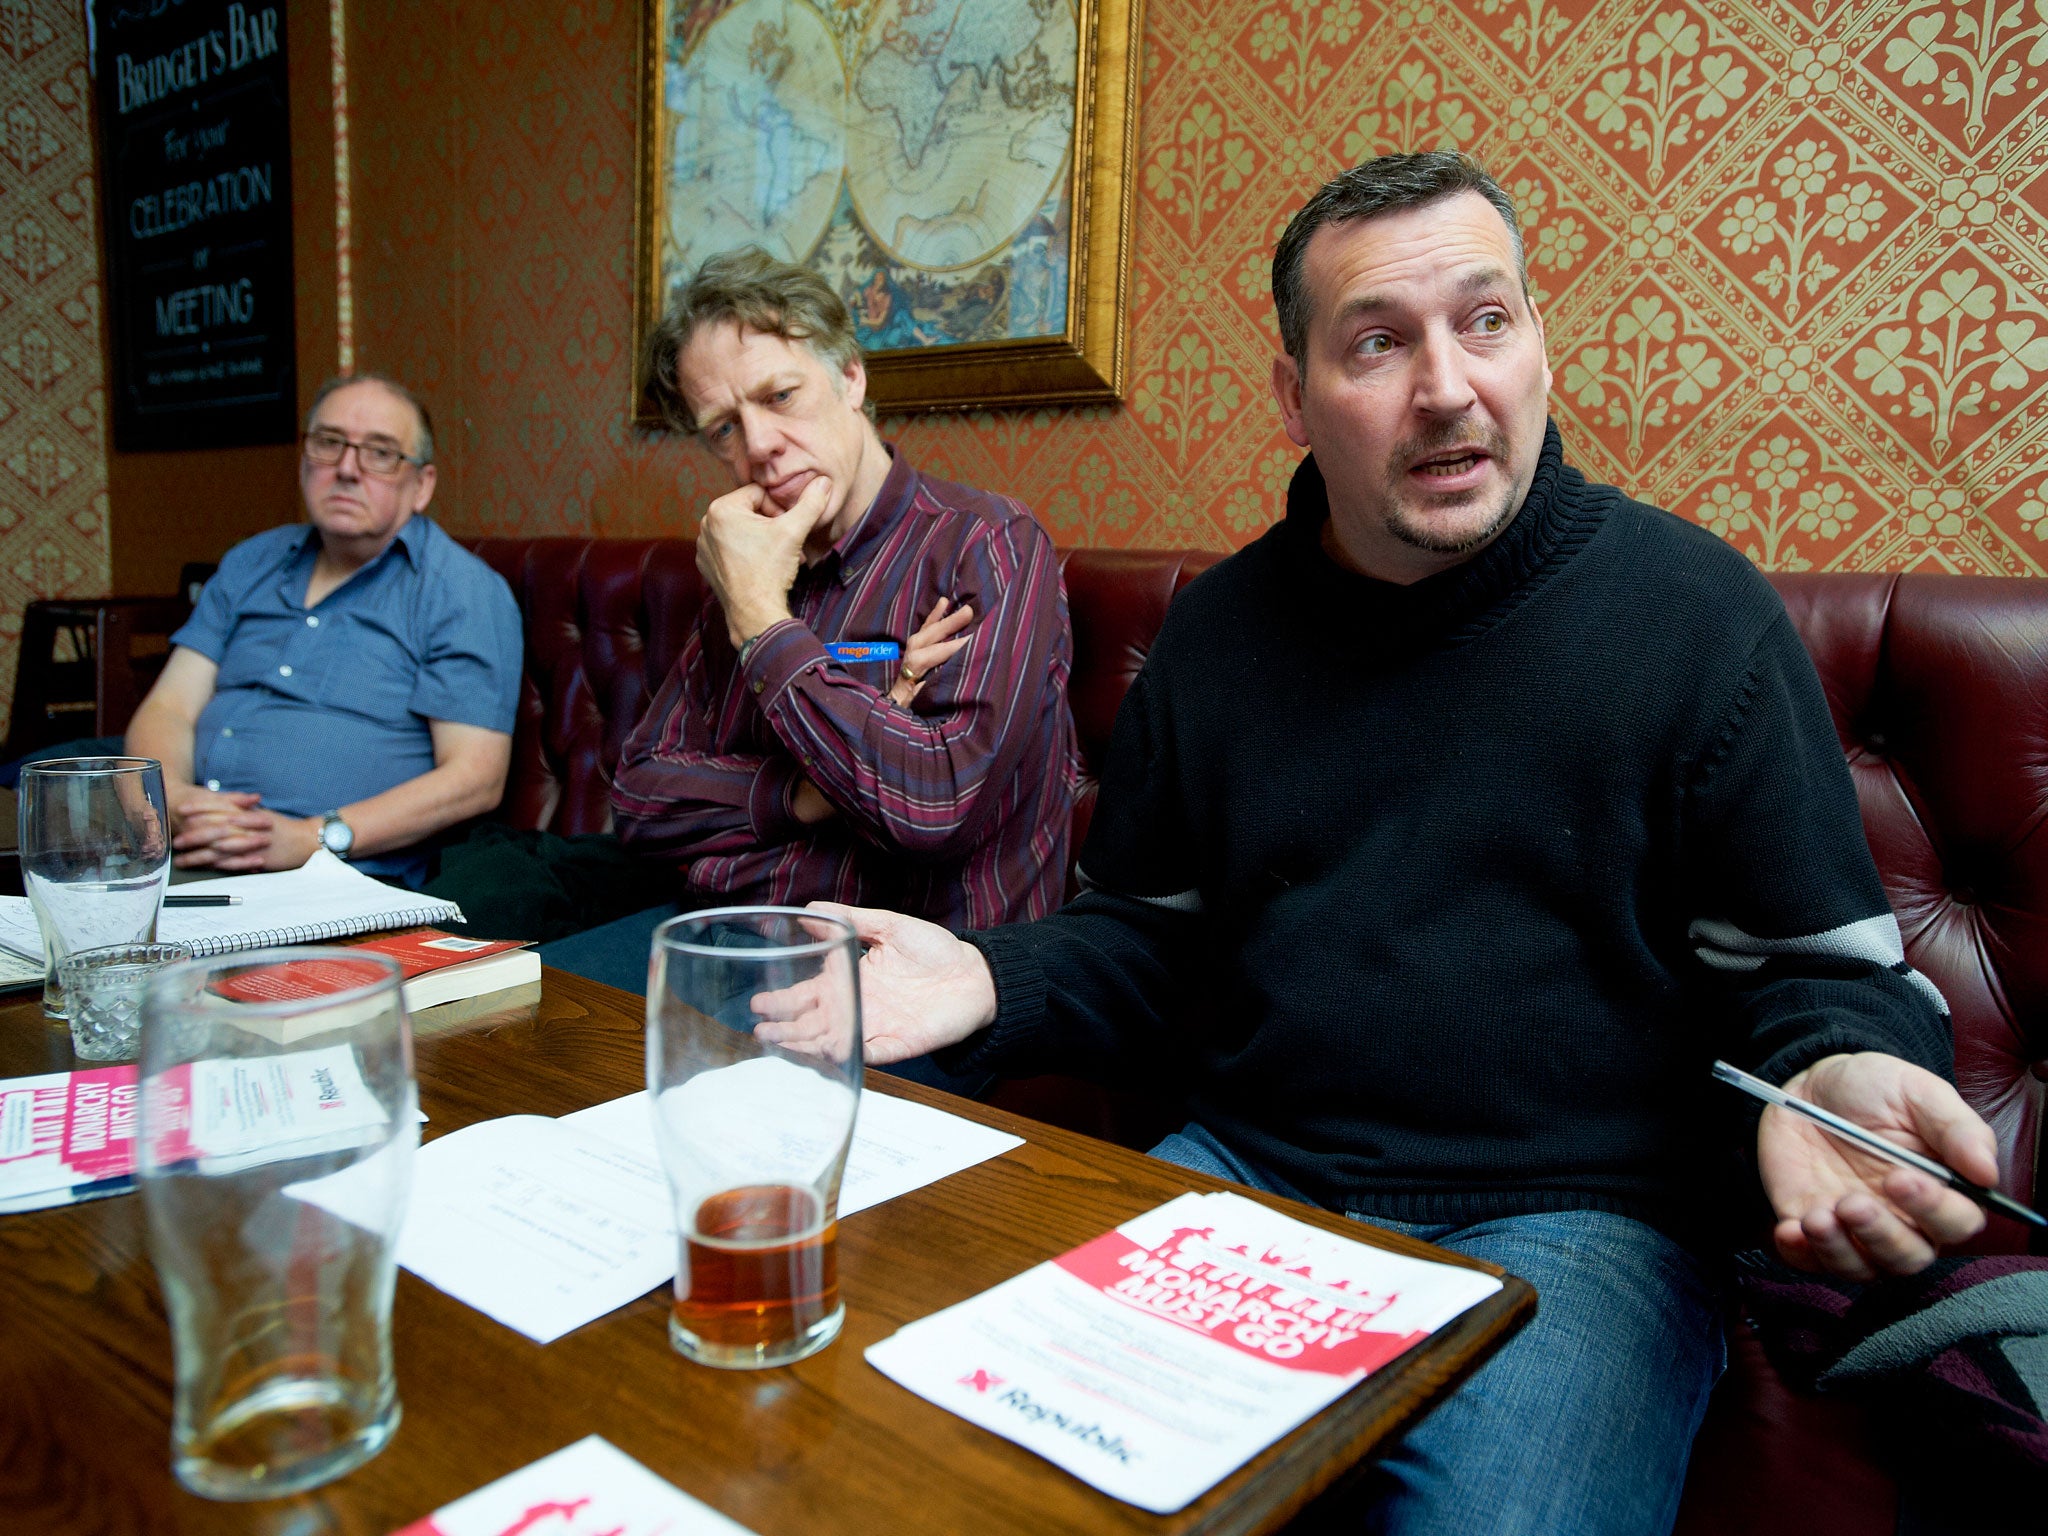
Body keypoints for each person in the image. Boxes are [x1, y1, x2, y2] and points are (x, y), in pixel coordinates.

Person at [752, 155, 2001, 1533]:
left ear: (1538, 347)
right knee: (937, 1483)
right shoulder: (1218, 639)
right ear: (1294, 399)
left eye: (1488, 322)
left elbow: (1814, 978)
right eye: (1377, 342)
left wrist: (1835, 1069)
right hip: (1252, 1171)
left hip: (1580, 1223)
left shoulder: (1698, 618)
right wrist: (997, 981)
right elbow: (1148, 940)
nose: (1449, 385)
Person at [526, 246, 1076, 1000]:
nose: (756, 447)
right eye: (723, 428)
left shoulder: (982, 545)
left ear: (850, 377)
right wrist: (805, 797)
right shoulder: (750, 558)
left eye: (779, 395)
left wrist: (759, 619)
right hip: (727, 939)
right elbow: (643, 799)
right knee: (503, 1017)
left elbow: (931, 806)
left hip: (903, 978)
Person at [125, 374, 521, 887]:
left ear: (421, 485)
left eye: (380, 453)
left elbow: (476, 779)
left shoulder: (461, 591)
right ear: (305, 459)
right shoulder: (252, 562)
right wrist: (173, 800)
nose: (347, 469)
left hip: (337, 879)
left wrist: (313, 837)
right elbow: (169, 706)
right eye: (328, 443)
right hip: (182, 850)